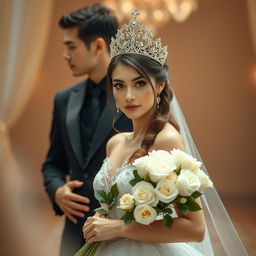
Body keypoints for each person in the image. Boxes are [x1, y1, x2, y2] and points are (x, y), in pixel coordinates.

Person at [82, 11, 249, 256]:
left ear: (159, 86)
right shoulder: (115, 143)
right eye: (119, 85)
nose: (128, 95)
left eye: (139, 83)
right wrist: (99, 219)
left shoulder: (167, 140)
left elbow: (194, 228)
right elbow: (113, 205)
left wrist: (119, 227)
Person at [41, 4, 132, 256]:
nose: (65, 55)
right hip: (72, 234)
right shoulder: (63, 99)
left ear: (99, 46)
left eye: (71, 46)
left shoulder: (135, 98)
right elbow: (53, 164)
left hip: (122, 234)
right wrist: (57, 190)